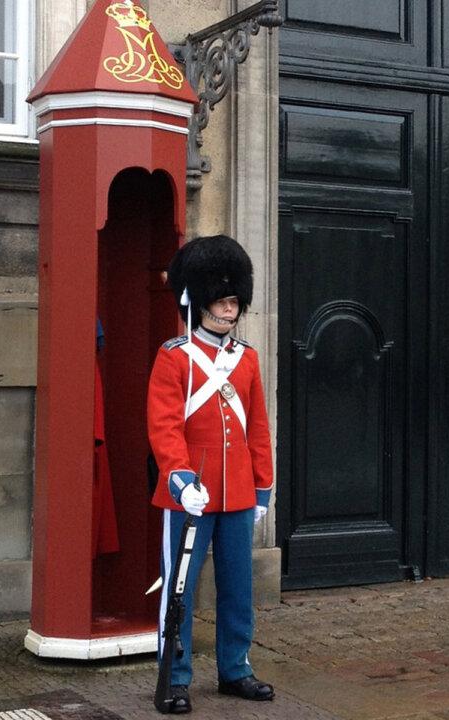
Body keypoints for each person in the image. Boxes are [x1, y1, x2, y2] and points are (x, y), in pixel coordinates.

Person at [147, 235, 275, 713]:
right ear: (198, 302)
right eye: (222, 301)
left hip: (237, 492)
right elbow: (164, 426)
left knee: (238, 588)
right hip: (189, 494)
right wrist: (180, 479)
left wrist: (262, 488)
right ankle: (175, 675)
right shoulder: (174, 356)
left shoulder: (247, 358)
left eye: (234, 301)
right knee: (178, 592)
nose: (229, 309)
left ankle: (235, 668)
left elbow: (257, 428)